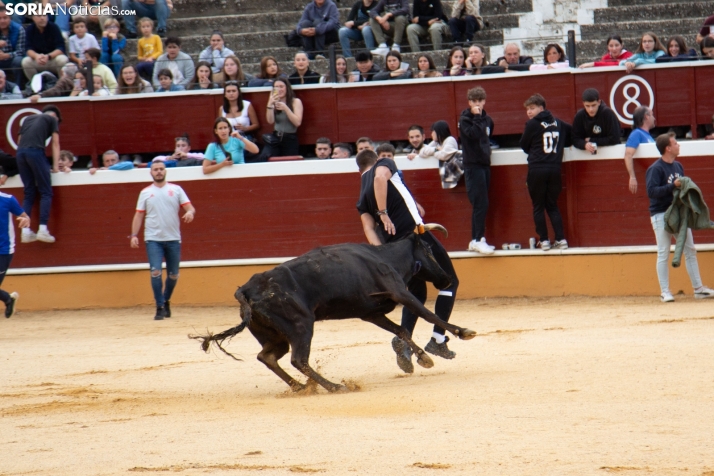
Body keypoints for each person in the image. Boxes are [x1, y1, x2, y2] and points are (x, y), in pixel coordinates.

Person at [355, 148, 460, 373]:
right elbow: (381, 177)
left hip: (396, 251)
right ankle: (438, 339)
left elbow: (368, 228)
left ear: (358, 171)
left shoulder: (361, 197)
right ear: (374, 161)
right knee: (450, 282)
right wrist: (383, 212)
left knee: (416, 293)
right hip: (416, 238)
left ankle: (404, 340)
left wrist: (382, 254)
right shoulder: (383, 165)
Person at [646, 132, 714, 302]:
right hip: (661, 214)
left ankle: (698, 288)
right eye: (675, 143)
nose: (679, 145)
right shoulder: (656, 168)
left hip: (679, 213)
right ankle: (665, 291)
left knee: (690, 249)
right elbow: (652, 192)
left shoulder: (678, 166)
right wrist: (672, 186)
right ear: (668, 148)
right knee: (663, 252)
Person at [130, 160, 194, 321]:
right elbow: (139, 215)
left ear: (165, 171)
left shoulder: (176, 189)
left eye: (161, 169)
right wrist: (134, 235)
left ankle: (166, 301)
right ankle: (159, 306)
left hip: (173, 238)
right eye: (155, 169)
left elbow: (190, 208)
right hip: (153, 238)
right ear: (151, 173)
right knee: (156, 272)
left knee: (174, 275)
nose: (158, 171)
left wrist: (190, 213)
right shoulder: (145, 192)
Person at [520, 94, 572, 251]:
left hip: (537, 169)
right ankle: (561, 239)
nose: (529, 112)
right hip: (555, 169)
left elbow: (523, 145)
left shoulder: (532, 124)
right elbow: (571, 135)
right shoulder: (559, 123)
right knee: (552, 205)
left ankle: (544, 240)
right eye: (527, 109)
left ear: (541, 108)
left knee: (538, 206)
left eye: (532, 108)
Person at [16, 105, 61, 244]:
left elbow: (19, 141)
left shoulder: (29, 118)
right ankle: (42, 229)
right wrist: (55, 166)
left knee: (29, 192)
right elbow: (55, 143)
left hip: (21, 153)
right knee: (46, 192)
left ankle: (25, 231)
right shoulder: (53, 119)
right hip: (35, 152)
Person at [460, 86, 495, 254]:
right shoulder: (466, 119)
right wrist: (477, 116)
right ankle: (478, 239)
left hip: (484, 164)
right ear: (469, 102)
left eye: (480, 101)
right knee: (480, 203)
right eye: (474, 101)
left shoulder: (488, 119)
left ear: (484, 101)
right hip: (472, 165)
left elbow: (487, 137)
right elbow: (473, 134)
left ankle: (476, 239)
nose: (477, 104)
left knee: (482, 203)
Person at [0, 166, 30, 318]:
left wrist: (25, 220)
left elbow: (25, 216)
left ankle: (7, 298)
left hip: (3, 250)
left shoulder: (7, 199)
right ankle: (7, 298)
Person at [22, 10, 68, 81]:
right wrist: (36, 56)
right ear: (33, 18)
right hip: (38, 60)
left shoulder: (54, 27)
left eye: (44, 15)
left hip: (52, 59)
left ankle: (61, 84)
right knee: (25, 62)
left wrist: (48, 56)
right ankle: (36, 86)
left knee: (62, 59)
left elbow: (61, 48)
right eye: (39, 16)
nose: (42, 18)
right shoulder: (30, 29)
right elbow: (28, 49)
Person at [572, 88, 622, 154]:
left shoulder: (608, 114)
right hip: (587, 157)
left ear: (599, 102)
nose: (591, 109)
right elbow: (574, 139)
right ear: (583, 104)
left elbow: (615, 138)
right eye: (587, 106)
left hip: (611, 153)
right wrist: (584, 144)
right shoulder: (579, 116)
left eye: (593, 105)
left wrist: (591, 140)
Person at [263, 78, 303, 158]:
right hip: (275, 137)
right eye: (276, 87)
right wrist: (270, 104)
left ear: (287, 88)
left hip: (290, 138)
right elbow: (270, 121)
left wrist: (286, 109)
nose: (279, 89)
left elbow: (297, 122)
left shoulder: (295, 101)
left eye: (281, 86)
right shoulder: (274, 102)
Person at [623, 106, 655, 194]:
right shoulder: (637, 134)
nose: (654, 118)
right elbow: (628, 154)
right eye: (652, 115)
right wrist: (632, 177)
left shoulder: (646, 135)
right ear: (646, 116)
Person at [0, 6, 26, 87]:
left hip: (12, 59)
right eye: (0, 18)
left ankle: (18, 87)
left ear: (10, 18)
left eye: (5, 18)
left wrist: (6, 55)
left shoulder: (19, 29)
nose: (2, 21)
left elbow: (21, 51)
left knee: (18, 61)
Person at [135, 17, 162, 82]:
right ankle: (141, 81)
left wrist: (152, 57)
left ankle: (153, 80)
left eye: (148, 26)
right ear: (140, 28)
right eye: (143, 27)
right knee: (138, 67)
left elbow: (160, 51)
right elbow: (139, 56)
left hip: (154, 60)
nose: (146, 29)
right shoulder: (140, 41)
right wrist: (143, 58)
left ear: (151, 27)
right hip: (145, 60)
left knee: (148, 65)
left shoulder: (156, 37)